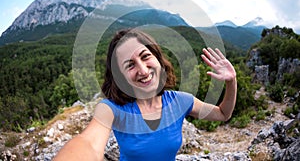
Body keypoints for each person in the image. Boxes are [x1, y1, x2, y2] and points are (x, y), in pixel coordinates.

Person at [54, 28, 237, 161]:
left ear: (157, 58)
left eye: (145, 56)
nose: (142, 70)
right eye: (130, 65)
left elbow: (223, 113)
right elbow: (89, 143)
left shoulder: (180, 101)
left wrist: (231, 81)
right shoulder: (111, 108)